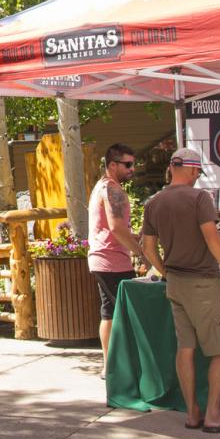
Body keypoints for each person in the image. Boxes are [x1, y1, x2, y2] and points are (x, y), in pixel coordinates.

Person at [138, 148, 220, 434]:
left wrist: (165, 272)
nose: (198, 175)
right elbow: (213, 239)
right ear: (188, 169)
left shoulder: (153, 203)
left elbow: (147, 249)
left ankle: (192, 413)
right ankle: (214, 415)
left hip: (175, 282)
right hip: (203, 282)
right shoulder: (200, 198)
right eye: (197, 170)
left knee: (185, 348)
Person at [88, 143, 142, 361]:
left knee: (109, 312)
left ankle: (110, 365)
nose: (132, 169)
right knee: (125, 314)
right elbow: (117, 227)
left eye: (133, 164)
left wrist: (135, 237)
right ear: (112, 164)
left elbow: (114, 227)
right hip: (112, 261)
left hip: (103, 258)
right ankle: (121, 366)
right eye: (128, 164)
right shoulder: (111, 189)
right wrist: (141, 252)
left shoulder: (102, 186)